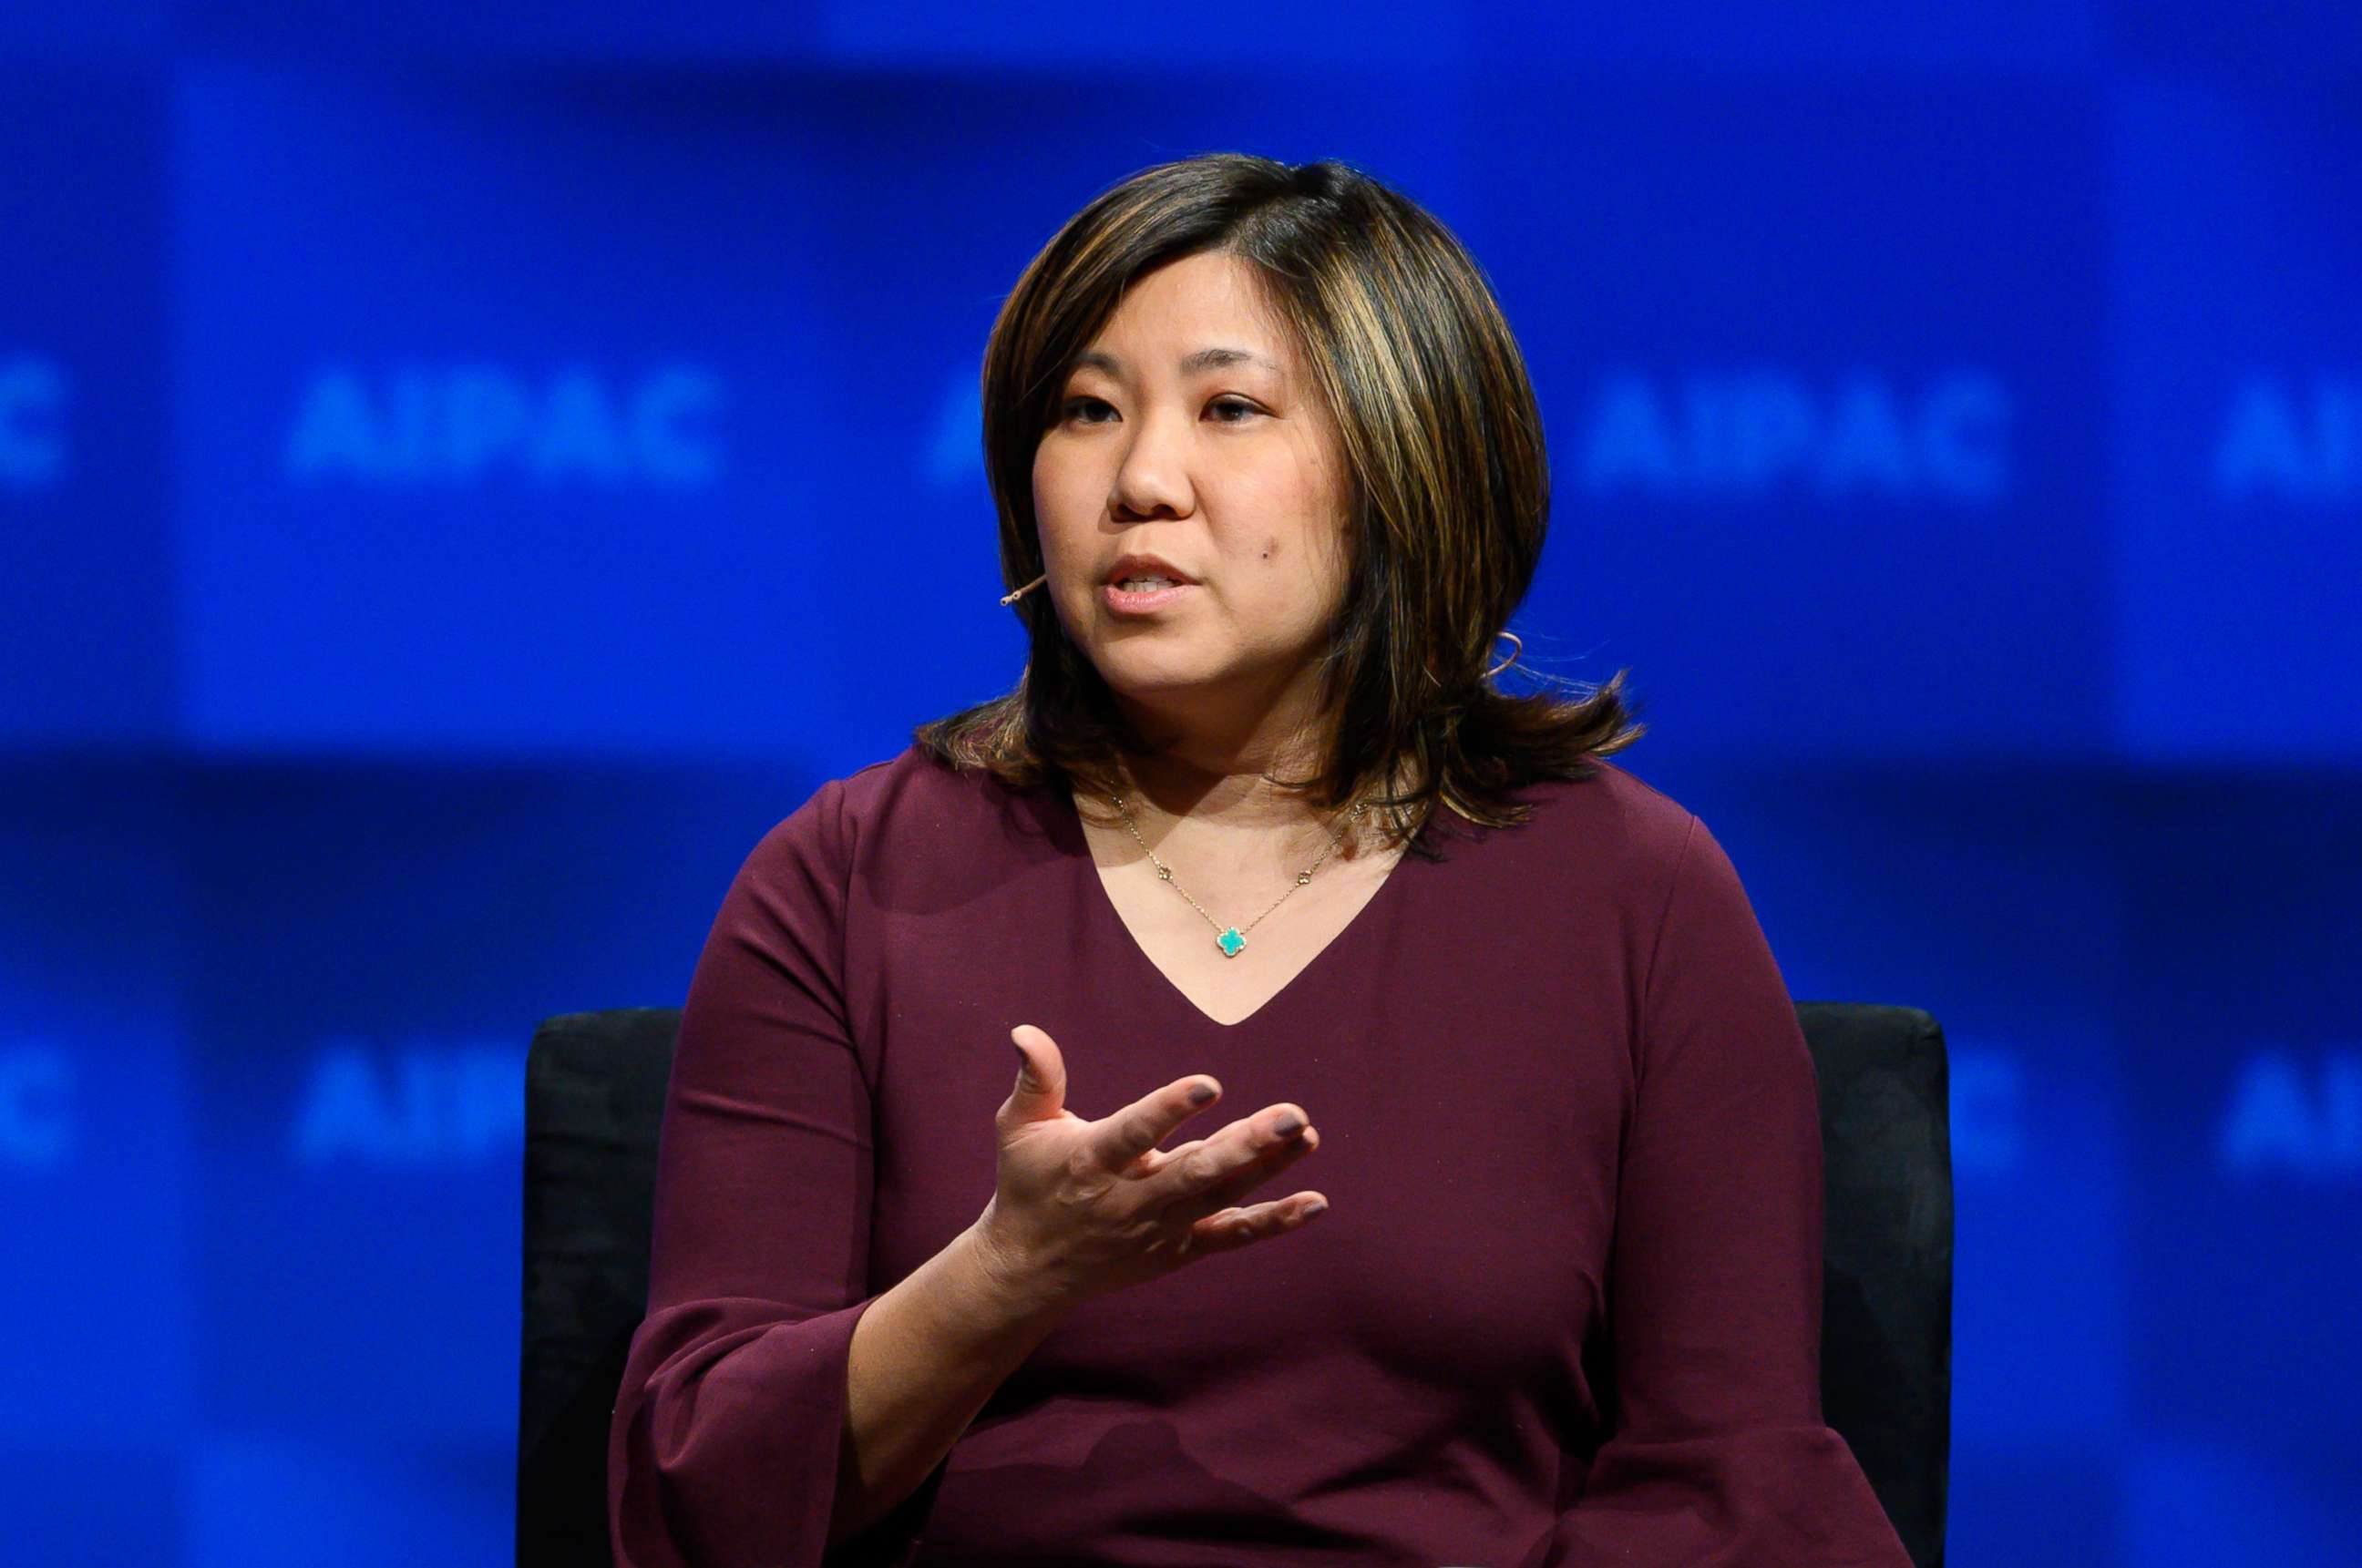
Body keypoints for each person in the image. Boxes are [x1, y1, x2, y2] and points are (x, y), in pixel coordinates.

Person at [607, 153, 1913, 1566]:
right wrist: (1006, 1276)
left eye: (1229, 410)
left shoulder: (1635, 897)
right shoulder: (848, 881)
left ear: (1409, 463)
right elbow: (697, 1490)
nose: (1139, 481)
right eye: (1088, 411)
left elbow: (1724, 1494)